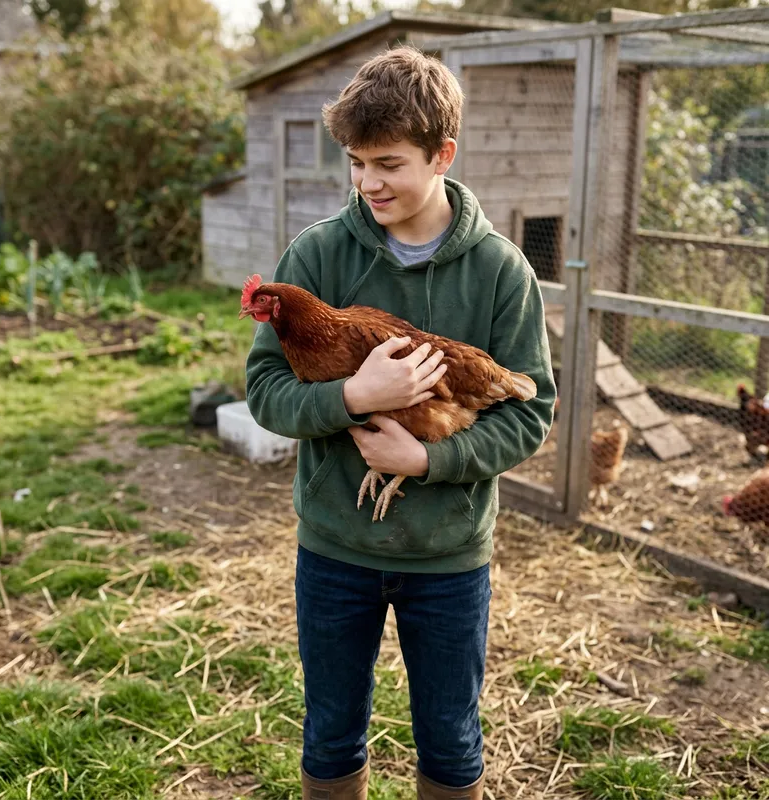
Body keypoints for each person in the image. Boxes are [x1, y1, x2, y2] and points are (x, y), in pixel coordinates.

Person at [245, 45, 556, 800]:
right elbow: (264, 391)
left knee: (449, 738)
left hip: (448, 556)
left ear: (442, 154)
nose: (368, 182)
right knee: (329, 732)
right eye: (356, 163)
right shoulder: (317, 255)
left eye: (388, 163)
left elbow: (531, 413)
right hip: (335, 548)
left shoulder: (501, 271)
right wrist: (351, 398)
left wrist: (426, 461)